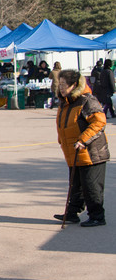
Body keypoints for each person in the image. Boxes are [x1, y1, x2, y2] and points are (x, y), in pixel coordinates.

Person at [54, 70, 110, 227]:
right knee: (75, 185)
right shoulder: (65, 102)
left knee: (91, 186)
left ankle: (97, 216)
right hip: (73, 151)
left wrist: (83, 140)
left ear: (74, 85)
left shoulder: (87, 101)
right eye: (60, 84)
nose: (61, 87)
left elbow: (99, 122)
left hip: (91, 152)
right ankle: (72, 212)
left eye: (64, 84)